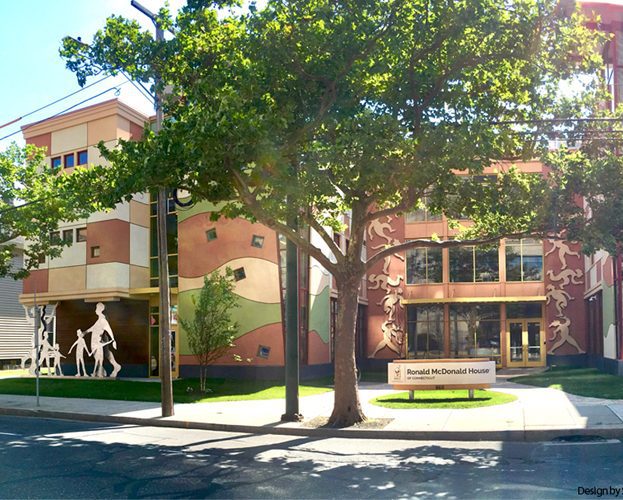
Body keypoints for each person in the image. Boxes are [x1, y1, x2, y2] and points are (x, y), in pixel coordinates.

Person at [84, 302, 121, 378]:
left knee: (102, 354)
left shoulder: (103, 320)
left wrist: (113, 340)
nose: (95, 310)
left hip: (99, 340)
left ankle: (113, 367)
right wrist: (85, 332)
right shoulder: (99, 320)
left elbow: (109, 329)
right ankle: (101, 370)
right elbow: (93, 327)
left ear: (101, 309)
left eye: (97, 308)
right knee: (101, 354)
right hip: (95, 341)